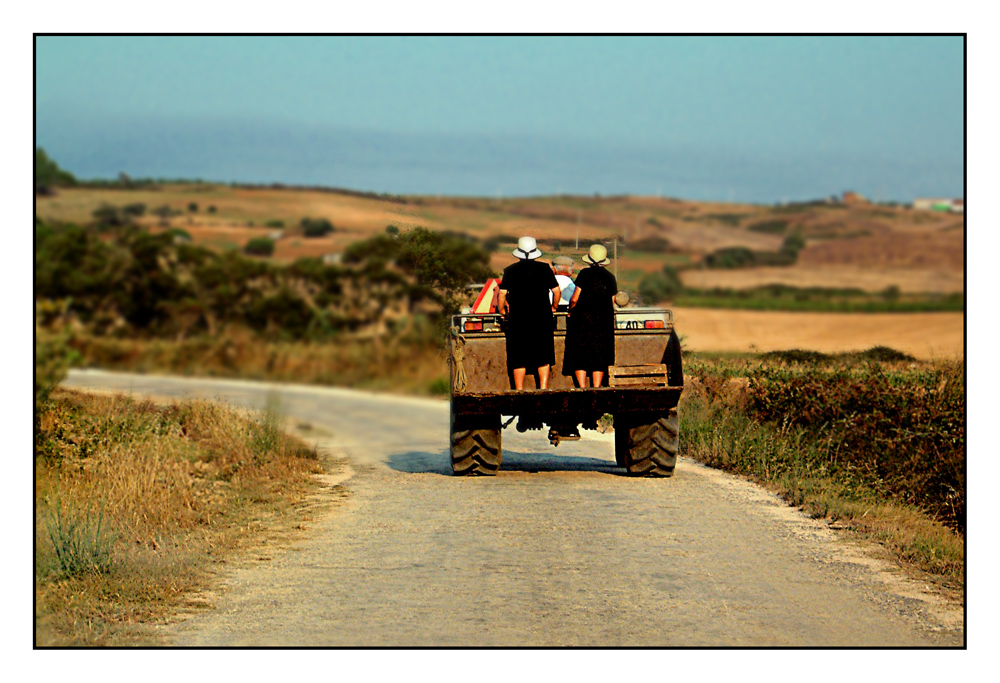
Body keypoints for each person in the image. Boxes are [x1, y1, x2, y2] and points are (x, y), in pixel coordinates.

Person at [498, 236, 561, 390]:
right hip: (542, 318)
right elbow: (556, 291)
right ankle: (543, 388)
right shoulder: (545, 269)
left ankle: (519, 390)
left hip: (518, 319)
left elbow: (502, 294)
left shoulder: (510, 270)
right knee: (543, 355)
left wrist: (501, 311)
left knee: (518, 356)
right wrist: (554, 307)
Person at [563, 243, 618, 388]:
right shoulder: (610, 277)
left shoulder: (584, 274)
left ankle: (581, 387)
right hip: (603, 322)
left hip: (583, 320)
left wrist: (571, 310)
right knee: (599, 355)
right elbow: (612, 301)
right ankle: (597, 387)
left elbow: (575, 298)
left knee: (580, 354)